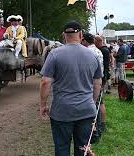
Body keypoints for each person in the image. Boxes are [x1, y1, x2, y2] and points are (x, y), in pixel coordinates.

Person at [40, 21, 102, 156]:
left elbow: (45, 82)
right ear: (80, 35)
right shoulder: (93, 55)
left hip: (61, 111)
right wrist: (91, 101)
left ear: (63, 36)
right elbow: (97, 84)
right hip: (86, 110)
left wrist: (43, 105)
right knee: (83, 149)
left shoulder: (54, 54)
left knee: (62, 148)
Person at [95, 35, 111, 133]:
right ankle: (102, 123)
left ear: (97, 41)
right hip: (103, 76)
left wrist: (103, 80)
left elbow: (104, 67)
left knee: (100, 102)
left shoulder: (103, 50)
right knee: (100, 101)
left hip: (102, 77)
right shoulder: (104, 50)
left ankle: (102, 124)